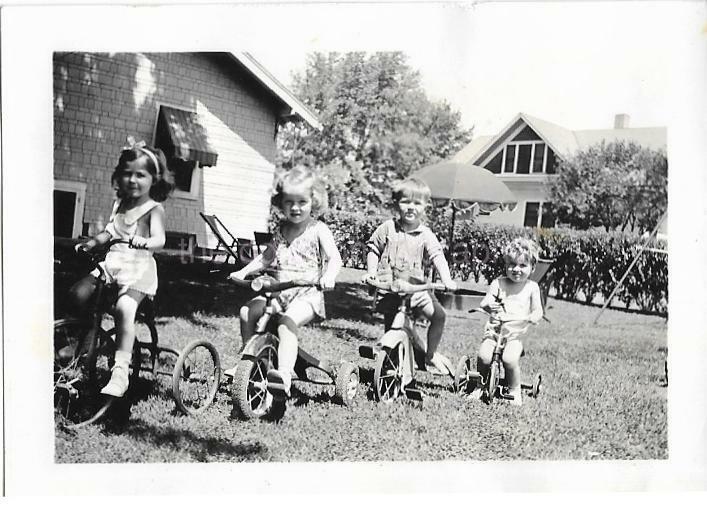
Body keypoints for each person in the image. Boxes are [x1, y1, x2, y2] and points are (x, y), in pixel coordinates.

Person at [226, 166, 343, 398]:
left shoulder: (318, 229)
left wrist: (329, 276)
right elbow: (267, 256)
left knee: (286, 324)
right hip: (280, 292)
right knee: (247, 311)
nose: (295, 207)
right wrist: (244, 271)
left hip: (307, 294)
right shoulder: (282, 229)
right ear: (282, 203)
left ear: (314, 201)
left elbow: (335, 258)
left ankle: (285, 375)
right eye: (289, 202)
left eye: (302, 201)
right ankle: (249, 360)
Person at [69, 140, 174, 398]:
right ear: (119, 176)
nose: (133, 180)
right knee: (78, 293)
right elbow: (109, 232)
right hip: (113, 265)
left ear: (154, 179)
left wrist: (146, 241)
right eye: (127, 173)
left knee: (123, 309)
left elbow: (160, 240)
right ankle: (79, 346)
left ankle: (120, 371)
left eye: (141, 174)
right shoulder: (120, 205)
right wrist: (91, 243)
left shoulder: (153, 210)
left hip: (137, 271)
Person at [361, 177, 457, 378]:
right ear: (396, 203)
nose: (411, 207)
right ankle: (391, 366)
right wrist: (371, 272)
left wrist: (447, 279)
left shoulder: (425, 234)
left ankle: (430, 355)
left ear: (425, 207)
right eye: (406, 202)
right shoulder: (388, 227)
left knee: (438, 316)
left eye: (417, 203)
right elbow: (373, 249)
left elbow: (437, 256)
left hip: (417, 291)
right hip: (391, 291)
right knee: (393, 328)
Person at [475, 237, 543, 406]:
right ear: (505, 265)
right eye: (511, 264)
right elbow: (486, 301)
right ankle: (479, 386)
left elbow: (538, 310)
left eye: (522, 265)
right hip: (495, 331)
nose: (516, 269)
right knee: (484, 357)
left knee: (510, 359)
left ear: (532, 267)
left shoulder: (532, 287)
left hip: (515, 334)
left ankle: (514, 390)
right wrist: (488, 306)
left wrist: (533, 317)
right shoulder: (499, 283)